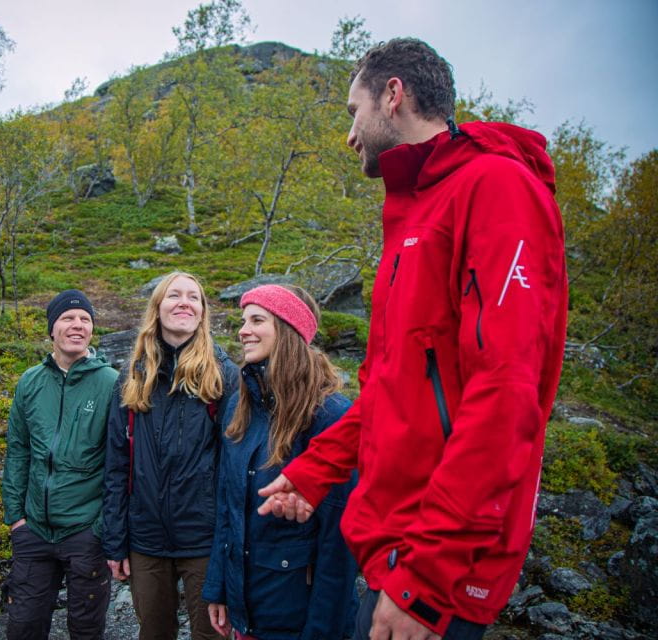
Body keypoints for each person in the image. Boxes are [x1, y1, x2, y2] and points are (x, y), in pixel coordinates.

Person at [257, 38, 568, 640]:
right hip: (390, 545)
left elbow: (506, 395)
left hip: (433, 564)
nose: (350, 135)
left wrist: (425, 577)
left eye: (354, 111)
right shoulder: (413, 216)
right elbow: (391, 388)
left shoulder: (496, 188)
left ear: (392, 95)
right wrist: (316, 470)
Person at [203, 284, 359, 640]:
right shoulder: (239, 408)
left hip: (299, 618)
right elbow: (228, 507)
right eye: (244, 320)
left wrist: (322, 632)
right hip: (246, 613)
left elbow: (340, 543)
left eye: (257, 320)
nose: (243, 330)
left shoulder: (330, 416)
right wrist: (219, 588)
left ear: (289, 330)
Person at [102, 271, 240, 640]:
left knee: (211, 633)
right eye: (174, 295)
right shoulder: (132, 376)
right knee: (153, 632)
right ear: (157, 308)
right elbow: (116, 465)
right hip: (146, 539)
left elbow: (237, 465)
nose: (184, 302)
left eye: (193, 297)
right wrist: (116, 539)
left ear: (202, 312)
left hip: (205, 540)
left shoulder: (224, 375)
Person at [1, 289, 118, 640]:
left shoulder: (111, 383)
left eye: (85, 319)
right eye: (68, 318)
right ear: (52, 328)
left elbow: (119, 462)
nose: (77, 325)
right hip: (34, 528)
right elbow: (18, 450)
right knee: (23, 626)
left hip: (85, 531)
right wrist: (16, 517)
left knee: (85, 629)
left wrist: (101, 527)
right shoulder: (30, 382)